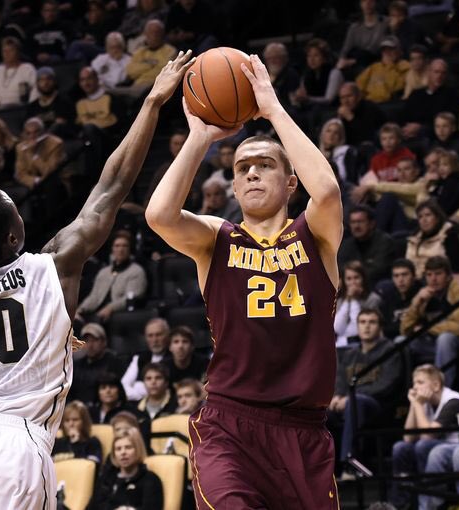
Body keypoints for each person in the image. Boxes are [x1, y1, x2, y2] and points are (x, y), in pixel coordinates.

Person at [0, 51, 195, 509]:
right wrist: (151, 103)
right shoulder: (54, 266)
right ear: (13, 234)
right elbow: (111, 186)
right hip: (17, 446)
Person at [145, 52, 344, 509]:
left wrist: (272, 108)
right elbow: (159, 215)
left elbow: (329, 190)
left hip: (303, 432)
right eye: (241, 168)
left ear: (291, 182)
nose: (251, 171)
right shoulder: (217, 239)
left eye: (265, 165)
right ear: (234, 187)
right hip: (229, 425)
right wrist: (199, 138)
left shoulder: (315, 235)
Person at [327, 307, 404, 469]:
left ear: (380, 327)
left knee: (357, 403)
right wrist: (337, 396)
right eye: (362, 322)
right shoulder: (350, 354)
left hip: (378, 405)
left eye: (372, 322)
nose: (367, 326)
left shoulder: (390, 350)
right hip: (348, 401)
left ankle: (351, 465)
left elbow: (386, 385)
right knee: (320, 411)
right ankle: (323, 469)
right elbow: (340, 379)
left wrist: (350, 397)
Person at [390, 364, 459, 508]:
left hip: (456, 445)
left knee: (424, 446)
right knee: (401, 447)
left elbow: (428, 436)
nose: (415, 388)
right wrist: (414, 404)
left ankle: (428, 503)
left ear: (436, 385)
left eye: (420, 382)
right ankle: (401, 503)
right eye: (414, 383)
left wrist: (417, 404)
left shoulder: (454, 401)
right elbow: (408, 438)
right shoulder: (424, 401)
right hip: (438, 444)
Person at [400, 256, 459, 387]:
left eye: (438, 274)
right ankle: (407, 392)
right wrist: (417, 303)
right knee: (400, 342)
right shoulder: (424, 294)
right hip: (431, 343)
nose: (433, 279)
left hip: (458, 343)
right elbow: (404, 329)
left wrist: (426, 328)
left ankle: (442, 391)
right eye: (429, 275)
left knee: (445, 339)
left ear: (448, 276)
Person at [75, 231, 147, 326]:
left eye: (124, 246)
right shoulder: (103, 272)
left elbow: (131, 297)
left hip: (118, 314)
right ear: (112, 249)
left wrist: (110, 308)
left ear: (130, 249)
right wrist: (79, 310)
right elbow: (93, 297)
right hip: (96, 312)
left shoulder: (136, 271)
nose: (120, 249)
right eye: (117, 246)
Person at [88, 427, 163, 510]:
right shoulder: (106, 478)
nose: (123, 452)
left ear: (138, 449)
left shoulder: (150, 480)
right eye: (118, 449)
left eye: (128, 447)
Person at [338, 205, 396, 286]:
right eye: (353, 222)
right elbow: (339, 268)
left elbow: (379, 270)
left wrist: (355, 270)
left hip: (375, 286)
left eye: (360, 221)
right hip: (349, 287)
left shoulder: (385, 242)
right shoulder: (346, 245)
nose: (356, 226)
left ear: (371, 224)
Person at [69, 322, 125, 404]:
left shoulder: (115, 363)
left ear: (104, 342)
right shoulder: (76, 365)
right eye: (86, 341)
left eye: (94, 340)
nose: (90, 345)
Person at [121, 317, 172, 401]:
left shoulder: (175, 358)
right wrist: (145, 395)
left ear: (167, 335)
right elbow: (123, 387)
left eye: (158, 335)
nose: (154, 340)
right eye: (150, 336)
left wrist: (138, 387)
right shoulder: (139, 358)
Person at [334, 261, 383, 347]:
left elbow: (359, 329)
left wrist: (353, 299)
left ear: (363, 279)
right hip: (340, 344)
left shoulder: (373, 299)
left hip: (363, 343)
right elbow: (337, 328)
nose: (353, 282)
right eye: (349, 279)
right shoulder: (340, 301)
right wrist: (348, 300)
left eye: (356, 278)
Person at [375, 258, 422, 341]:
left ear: (414, 276)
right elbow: (384, 328)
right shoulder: (387, 295)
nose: (400, 280)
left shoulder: (421, 293)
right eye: (396, 276)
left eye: (404, 275)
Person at [355, 36, 409, 104]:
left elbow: (394, 89)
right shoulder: (374, 67)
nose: (387, 52)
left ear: (399, 50)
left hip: (388, 104)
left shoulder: (404, 66)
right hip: (369, 103)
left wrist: (390, 66)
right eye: (384, 49)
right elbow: (359, 85)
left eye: (390, 49)